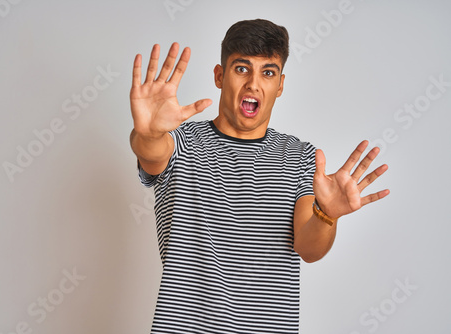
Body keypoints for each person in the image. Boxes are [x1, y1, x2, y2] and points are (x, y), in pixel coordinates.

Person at [129, 19, 389, 334]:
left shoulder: (300, 156)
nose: (254, 83)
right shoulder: (182, 143)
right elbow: (152, 152)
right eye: (242, 69)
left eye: (267, 72)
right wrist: (146, 132)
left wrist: (326, 214)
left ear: (280, 85)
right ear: (219, 76)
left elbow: (309, 249)